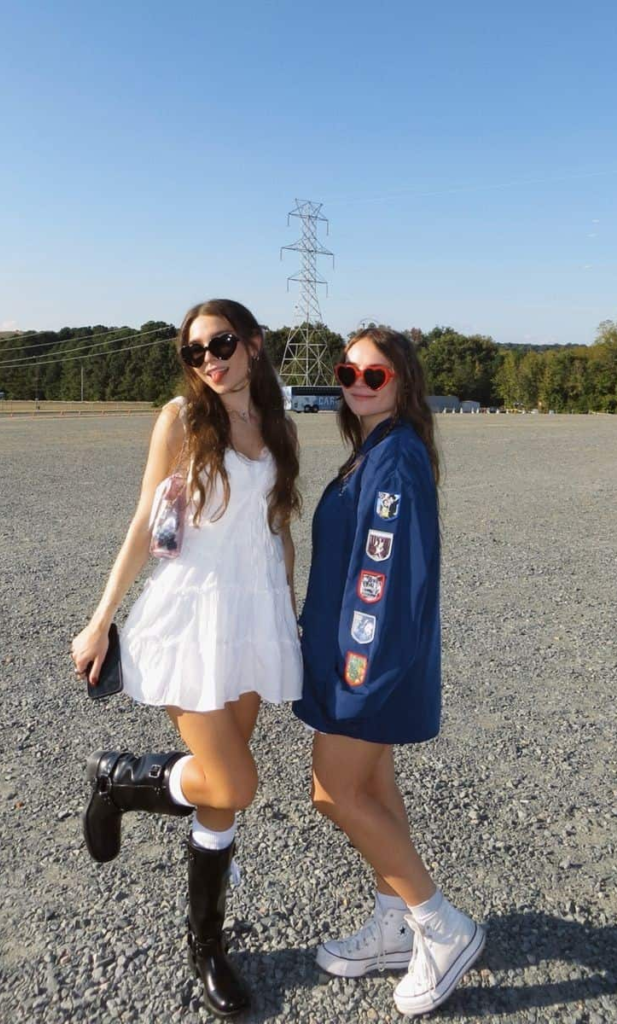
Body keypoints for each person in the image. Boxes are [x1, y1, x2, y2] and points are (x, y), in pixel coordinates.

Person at [70, 299, 302, 1019]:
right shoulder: (180, 418)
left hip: (253, 613)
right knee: (232, 780)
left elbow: (277, 529)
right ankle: (120, 782)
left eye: (222, 344)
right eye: (196, 351)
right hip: (191, 613)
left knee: (220, 797)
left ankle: (207, 947)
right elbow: (146, 520)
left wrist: (286, 613)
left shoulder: (280, 425)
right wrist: (100, 618)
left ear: (254, 346)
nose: (209, 360)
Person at [293, 327, 484, 1018]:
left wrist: (357, 676)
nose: (356, 383)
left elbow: (385, 577)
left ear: (402, 382)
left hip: (365, 664)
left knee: (332, 792)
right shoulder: (373, 448)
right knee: (372, 786)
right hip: (355, 658)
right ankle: (393, 925)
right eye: (348, 371)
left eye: (373, 374)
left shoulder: (395, 456)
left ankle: (440, 925)